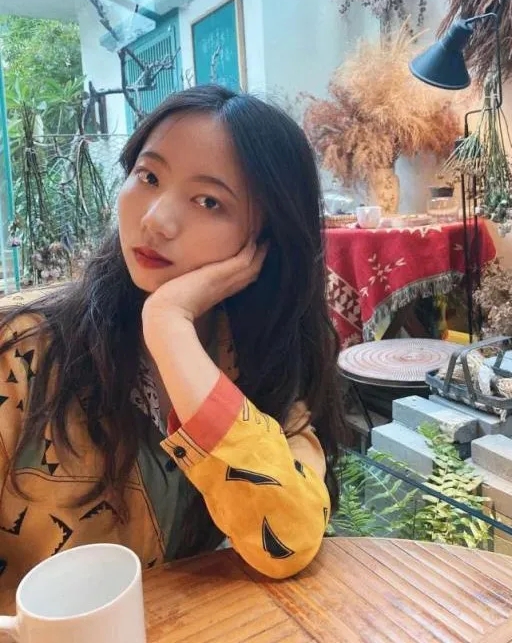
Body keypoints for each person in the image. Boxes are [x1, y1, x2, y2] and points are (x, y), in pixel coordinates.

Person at [0, 84, 345, 612]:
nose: (156, 219)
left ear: (262, 241)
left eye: (209, 201)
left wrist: (168, 326)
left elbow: (286, 538)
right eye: (149, 177)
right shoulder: (23, 353)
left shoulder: (259, 364)